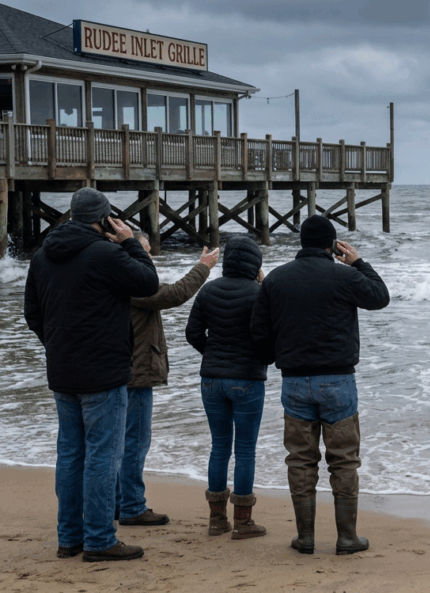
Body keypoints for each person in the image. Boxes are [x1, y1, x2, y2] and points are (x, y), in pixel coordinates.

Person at [23, 187, 158, 562]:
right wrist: (131, 242)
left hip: (62, 370)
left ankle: (70, 538)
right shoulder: (107, 252)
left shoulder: (41, 256)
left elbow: (32, 314)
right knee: (102, 456)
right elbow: (148, 283)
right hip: (103, 371)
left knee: (70, 454)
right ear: (104, 219)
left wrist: (56, 345)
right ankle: (99, 540)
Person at [250, 215, 389, 556]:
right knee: (343, 461)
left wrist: (278, 356)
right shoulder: (344, 275)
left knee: (300, 460)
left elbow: (259, 335)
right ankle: (347, 537)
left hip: (294, 381)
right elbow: (379, 297)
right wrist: (359, 262)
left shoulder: (276, 280)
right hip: (338, 380)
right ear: (332, 246)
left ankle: (306, 537)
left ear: (302, 243)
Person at [116, 236, 218, 527]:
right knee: (134, 442)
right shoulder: (132, 282)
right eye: (145, 252)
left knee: (118, 443)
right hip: (134, 372)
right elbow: (174, 294)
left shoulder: (114, 276)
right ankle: (132, 506)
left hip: (119, 368)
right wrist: (203, 267)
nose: (150, 259)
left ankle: (117, 502)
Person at [185, 236, 268, 540]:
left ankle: (217, 521)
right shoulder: (259, 293)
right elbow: (268, 338)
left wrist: (213, 354)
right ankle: (244, 522)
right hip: (247, 378)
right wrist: (262, 360)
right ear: (254, 263)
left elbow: (192, 332)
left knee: (219, 447)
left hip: (212, 380)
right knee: (245, 450)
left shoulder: (208, 290)